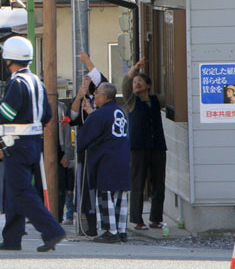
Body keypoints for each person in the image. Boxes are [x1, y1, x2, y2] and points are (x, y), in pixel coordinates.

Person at [0, 36, 66, 252]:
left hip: (16, 145)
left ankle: (52, 230)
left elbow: (7, 113)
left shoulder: (16, 83)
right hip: (33, 144)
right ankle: (12, 238)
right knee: (14, 190)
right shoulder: (37, 83)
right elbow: (47, 114)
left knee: (21, 191)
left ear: (10, 60)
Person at [76, 82, 131, 243]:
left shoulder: (99, 115)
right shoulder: (120, 112)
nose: (95, 96)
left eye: (97, 93)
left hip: (106, 159)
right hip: (122, 157)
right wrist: (90, 111)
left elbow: (83, 139)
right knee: (121, 196)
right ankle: (121, 230)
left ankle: (110, 231)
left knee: (105, 195)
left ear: (105, 96)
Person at [120, 57, 167, 231]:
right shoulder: (132, 100)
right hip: (137, 147)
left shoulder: (157, 100)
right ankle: (137, 220)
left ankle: (156, 219)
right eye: (135, 82)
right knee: (138, 183)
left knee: (159, 183)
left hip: (158, 147)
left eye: (140, 81)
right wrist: (135, 68)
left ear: (148, 85)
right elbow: (125, 83)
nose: (136, 83)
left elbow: (172, 96)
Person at [68, 50, 109, 236]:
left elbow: (104, 81)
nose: (87, 80)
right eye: (84, 79)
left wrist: (88, 63)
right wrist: (79, 95)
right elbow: (72, 117)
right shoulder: (83, 97)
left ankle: (108, 225)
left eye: (89, 78)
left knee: (103, 188)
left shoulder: (102, 100)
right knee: (86, 189)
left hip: (102, 149)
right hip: (86, 150)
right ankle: (91, 226)